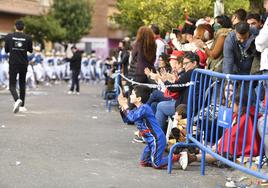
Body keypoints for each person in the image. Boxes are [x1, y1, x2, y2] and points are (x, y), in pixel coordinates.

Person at [117, 85, 181, 169]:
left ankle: (178, 156)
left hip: (157, 138)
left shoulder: (145, 108)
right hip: (150, 140)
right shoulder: (137, 109)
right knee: (143, 162)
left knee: (156, 164)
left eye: (132, 94)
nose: (130, 96)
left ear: (138, 99)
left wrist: (125, 105)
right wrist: (123, 107)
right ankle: (156, 158)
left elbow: (132, 117)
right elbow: (127, 120)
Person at [4, 20, 33, 113]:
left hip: (13, 63)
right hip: (23, 63)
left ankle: (17, 100)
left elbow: (6, 50)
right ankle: (22, 105)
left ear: (15, 26)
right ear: (23, 27)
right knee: (22, 84)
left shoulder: (9, 37)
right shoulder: (28, 37)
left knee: (12, 85)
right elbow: (30, 50)